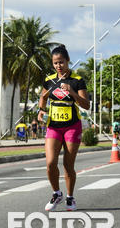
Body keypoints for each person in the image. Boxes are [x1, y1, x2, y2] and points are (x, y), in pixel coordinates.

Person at [38, 45, 90, 212]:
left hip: (72, 126)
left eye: (61, 62)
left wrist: (73, 92)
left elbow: (86, 105)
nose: (58, 66)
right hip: (53, 126)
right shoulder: (49, 80)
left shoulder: (77, 80)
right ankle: (56, 193)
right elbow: (43, 97)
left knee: (68, 165)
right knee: (51, 163)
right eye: (55, 63)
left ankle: (70, 197)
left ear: (68, 61)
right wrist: (41, 110)